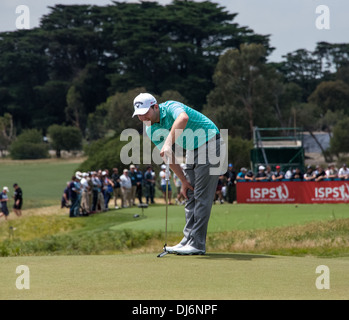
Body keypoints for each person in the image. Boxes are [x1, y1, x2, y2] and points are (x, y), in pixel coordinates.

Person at [133, 92, 227, 255]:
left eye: (145, 113)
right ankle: (188, 240)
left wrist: (168, 143)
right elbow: (167, 156)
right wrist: (183, 180)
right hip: (192, 149)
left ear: (155, 107)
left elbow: (183, 118)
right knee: (190, 193)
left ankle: (197, 244)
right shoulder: (151, 129)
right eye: (139, 115)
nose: (143, 118)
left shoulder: (170, 107)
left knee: (201, 196)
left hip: (211, 142)